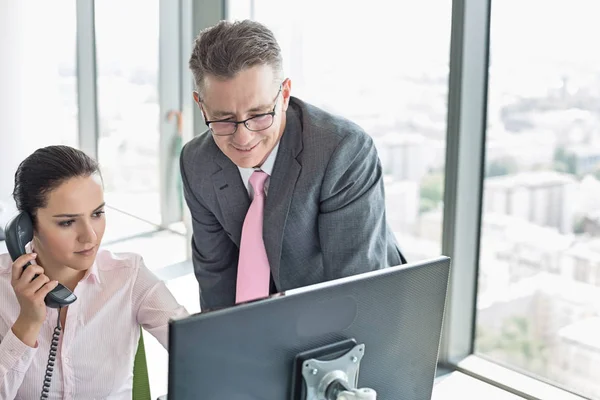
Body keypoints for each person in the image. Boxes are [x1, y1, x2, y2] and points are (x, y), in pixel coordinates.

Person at [180, 19, 406, 311]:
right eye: (224, 119)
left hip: (359, 310)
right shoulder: (196, 163)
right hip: (273, 311)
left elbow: (354, 291)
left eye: (259, 113)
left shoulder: (343, 152)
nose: (243, 136)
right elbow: (216, 277)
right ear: (202, 106)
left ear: (284, 95)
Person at [0, 145, 188, 399]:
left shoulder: (129, 277)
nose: (90, 236)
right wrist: (28, 323)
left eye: (97, 214)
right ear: (26, 226)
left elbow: (203, 356)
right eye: (67, 222)